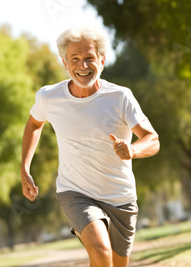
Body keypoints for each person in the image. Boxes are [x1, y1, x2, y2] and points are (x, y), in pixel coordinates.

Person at [21, 25, 160, 267]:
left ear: (102, 61)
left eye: (89, 58)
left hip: (120, 196)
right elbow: (34, 124)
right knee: (100, 251)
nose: (82, 66)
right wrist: (25, 169)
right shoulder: (49, 97)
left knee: (115, 264)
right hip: (75, 191)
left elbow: (152, 138)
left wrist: (133, 150)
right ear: (65, 63)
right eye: (75, 59)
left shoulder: (120, 97)